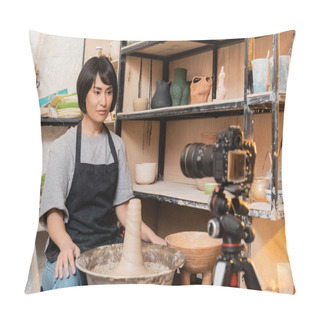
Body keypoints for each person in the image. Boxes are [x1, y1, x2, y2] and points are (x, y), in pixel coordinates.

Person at [40, 56, 166, 291]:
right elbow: (53, 212)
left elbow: (124, 208)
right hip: (72, 246)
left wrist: (153, 238)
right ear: (83, 94)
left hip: (108, 248)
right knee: (67, 281)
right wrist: (66, 244)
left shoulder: (116, 146)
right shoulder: (63, 148)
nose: (103, 101)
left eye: (109, 92)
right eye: (96, 92)